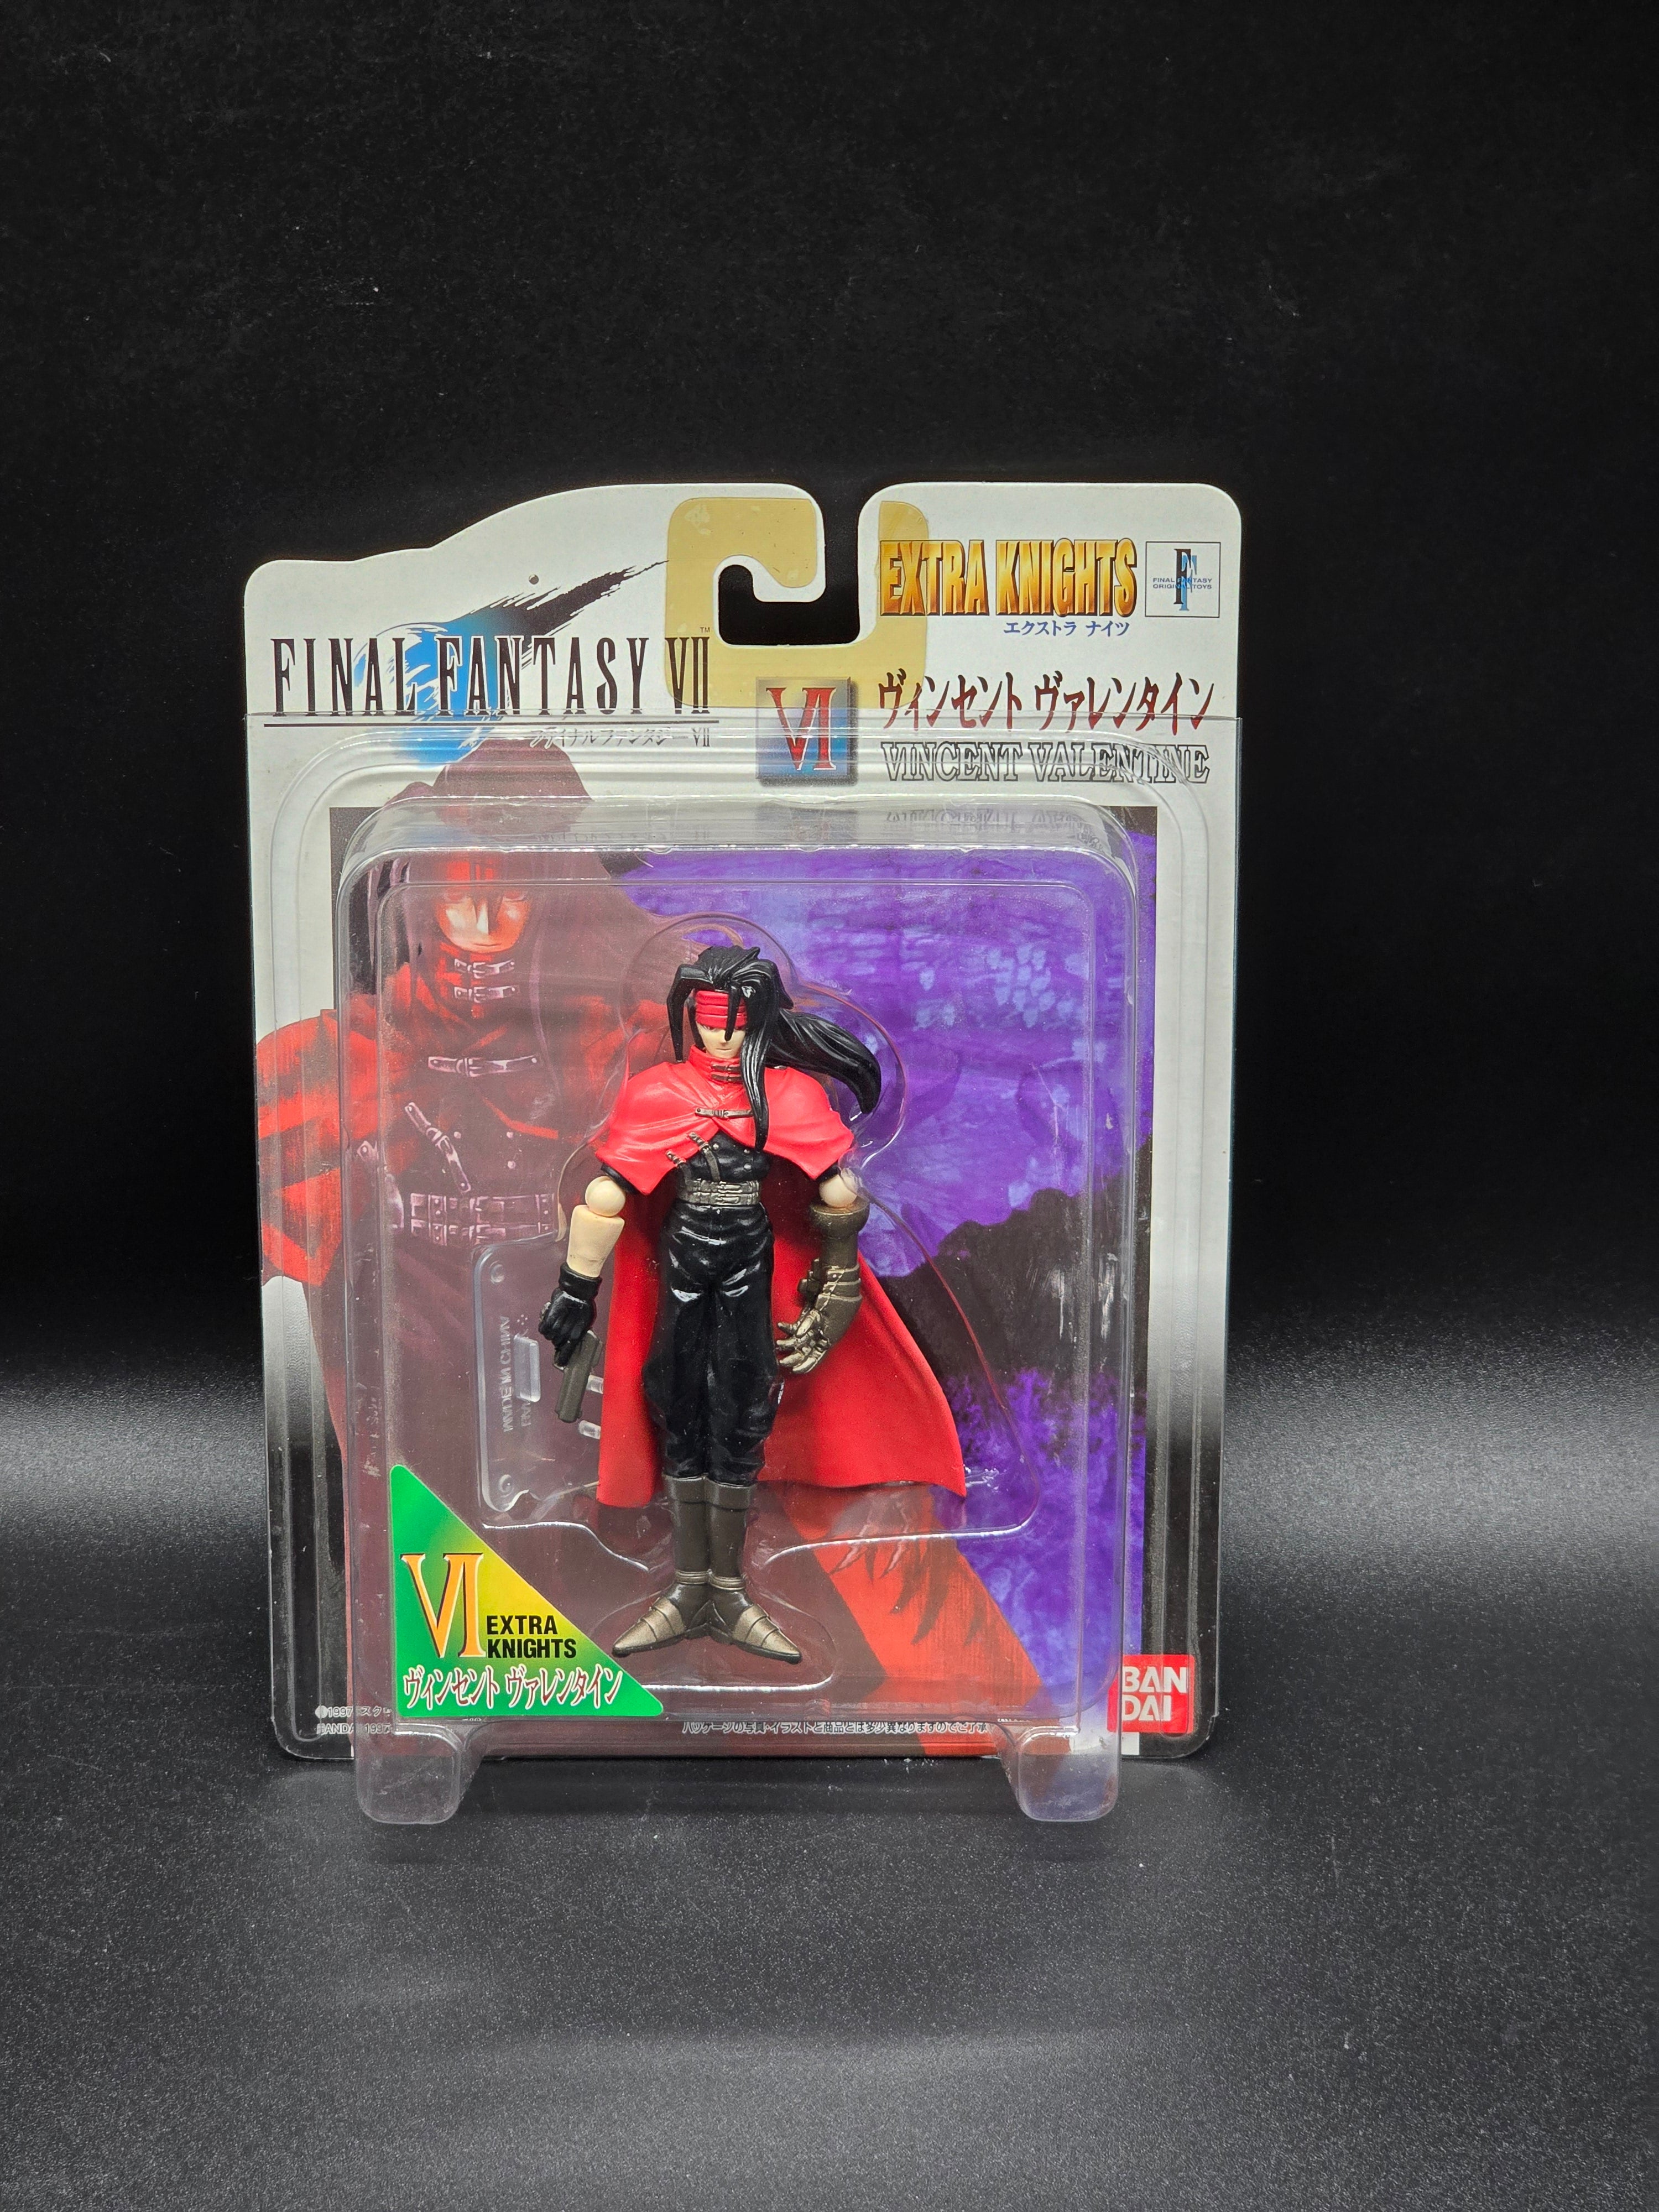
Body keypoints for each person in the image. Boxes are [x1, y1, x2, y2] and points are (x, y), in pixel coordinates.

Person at [539, 943, 967, 1663]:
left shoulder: (787, 1096)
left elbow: (839, 1191)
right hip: (682, 1257)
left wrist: (839, 1284)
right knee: (675, 1401)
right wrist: (577, 1290)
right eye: (710, 1023)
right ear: (689, 1019)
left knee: (741, 1410)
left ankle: (728, 1590)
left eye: (736, 1025)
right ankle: (689, 1587)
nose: (722, 1038)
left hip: (749, 1258)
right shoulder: (656, 1093)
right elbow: (607, 1192)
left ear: (757, 1021)